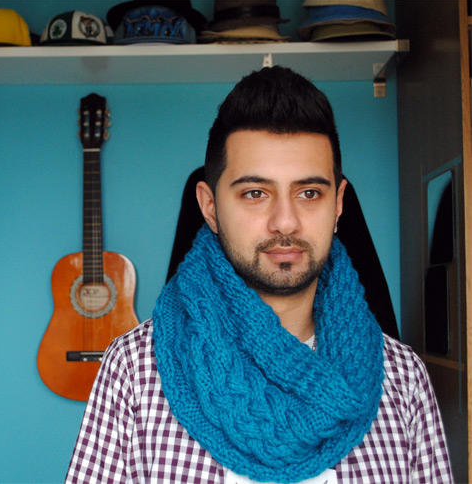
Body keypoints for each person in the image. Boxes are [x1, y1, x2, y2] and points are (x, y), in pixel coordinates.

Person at [65, 66, 453, 483]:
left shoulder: (403, 377)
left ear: (338, 204)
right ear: (210, 207)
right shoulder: (134, 369)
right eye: (255, 193)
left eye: (309, 193)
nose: (285, 221)